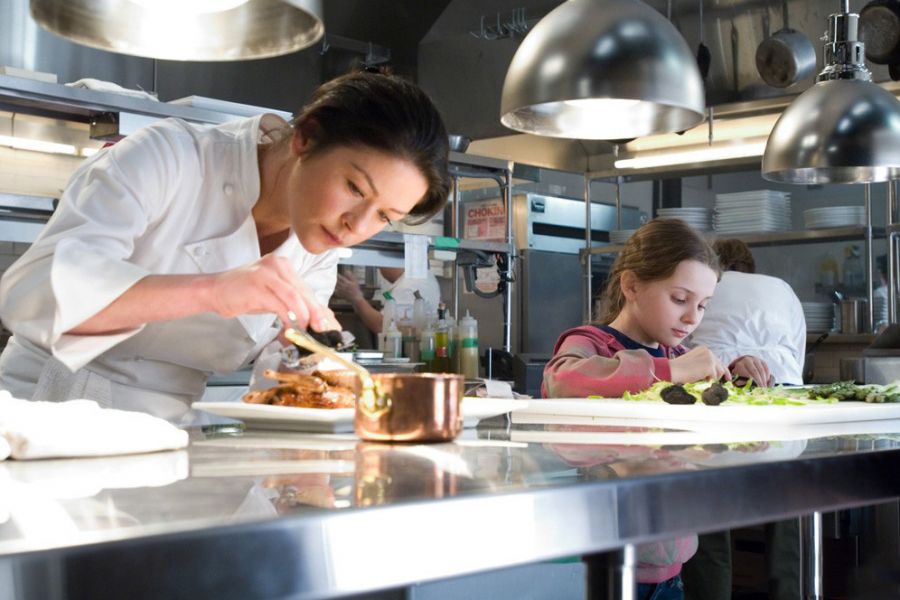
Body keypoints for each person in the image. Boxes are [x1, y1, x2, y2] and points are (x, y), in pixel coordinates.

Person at [0, 69, 451, 421]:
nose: (357, 225)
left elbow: (279, 382)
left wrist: (305, 363)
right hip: (43, 414)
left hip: (167, 436)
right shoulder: (170, 157)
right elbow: (31, 293)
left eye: (384, 216)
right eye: (355, 188)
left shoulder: (317, 252)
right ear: (306, 137)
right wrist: (212, 291)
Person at [542, 218, 770, 600]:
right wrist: (669, 371)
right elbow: (561, 379)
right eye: (680, 299)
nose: (692, 317)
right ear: (631, 286)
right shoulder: (591, 342)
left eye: (703, 305)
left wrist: (735, 376)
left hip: (672, 573)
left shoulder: (678, 354)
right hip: (607, 565)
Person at [686, 238, 804, 385]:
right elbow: (798, 346)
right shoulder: (781, 287)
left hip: (717, 374)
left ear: (713, 262)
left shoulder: (705, 285)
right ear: (750, 265)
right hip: (783, 375)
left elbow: (683, 338)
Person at [333, 266, 441, 336]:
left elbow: (382, 326)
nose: (380, 270)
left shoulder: (409, 285)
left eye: (381, 266)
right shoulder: (420, 275)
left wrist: (356, 297)